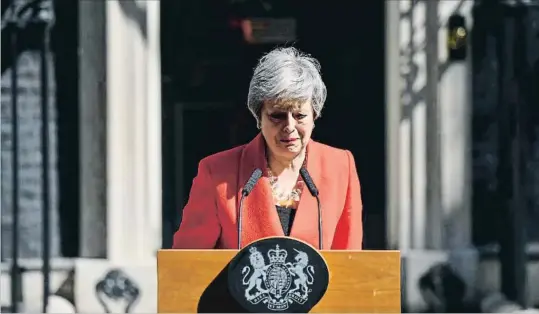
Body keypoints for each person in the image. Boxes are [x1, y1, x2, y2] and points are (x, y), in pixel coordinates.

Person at [172, 47, 363, 250]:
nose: (289, 126)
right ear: (259, 118)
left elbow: (351, 261)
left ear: (314, 116)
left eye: (300, 116)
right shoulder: (217, 172)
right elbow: (188, 264)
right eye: (277, 116)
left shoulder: (341, 166)